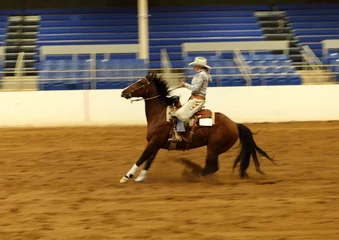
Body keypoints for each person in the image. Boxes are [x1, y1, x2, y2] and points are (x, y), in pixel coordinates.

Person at [168, 56, 212, 142]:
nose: (193, 67)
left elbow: (195, 88)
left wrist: (185, 85)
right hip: (196, 98)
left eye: (195, 65)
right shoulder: (203, 74)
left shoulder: (201, 75)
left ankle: (179, 135)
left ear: (199, 66)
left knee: (179, 113)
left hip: (197, 100)